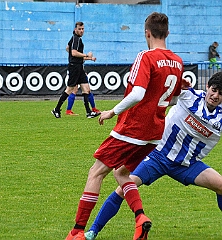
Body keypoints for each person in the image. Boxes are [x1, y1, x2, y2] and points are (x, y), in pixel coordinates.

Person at [65, 12, 185, 240]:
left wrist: (112, 111)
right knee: (122, 173)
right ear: (167, 33)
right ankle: (140, 217)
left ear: (147, 33)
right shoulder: (178, 62)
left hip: (133, 128)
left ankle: (77, 232)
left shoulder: (146, 56)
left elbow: (138, 93)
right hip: (154, 133)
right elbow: (176, 95)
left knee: (96, 172)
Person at [85, 72, 222, 240]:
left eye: (221, 93)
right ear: (207, 86)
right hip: (157, 156)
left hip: (187, 164)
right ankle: (93, 231)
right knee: (123, 188)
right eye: (214, 90)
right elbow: (156, 96)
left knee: (221, 185)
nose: (215, 96)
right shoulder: (189, 96)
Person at [51, 22, 100, 119]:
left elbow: (68, 49)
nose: (82, 31)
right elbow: (73, 53)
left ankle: (89, 112)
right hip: (74, 68)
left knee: (86, 89)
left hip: (79, 67)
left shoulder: (76, 39)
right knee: (69, 90)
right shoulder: (76, 39)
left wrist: (89, 59)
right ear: (75, 29)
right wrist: (86, 55)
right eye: (80, 29)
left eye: (83, 29)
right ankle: (56, 109)